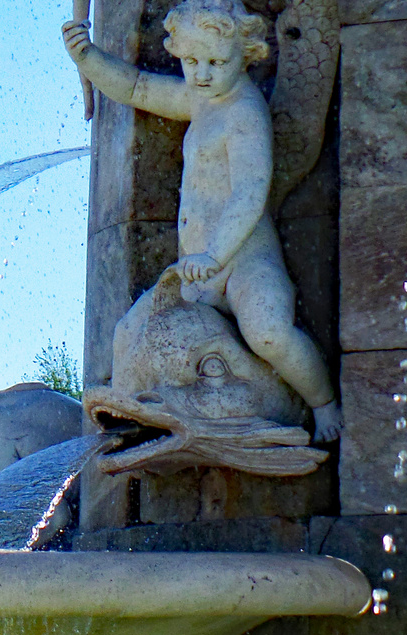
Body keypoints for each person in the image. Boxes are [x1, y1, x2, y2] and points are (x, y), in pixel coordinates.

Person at [61, 0, 342, 442]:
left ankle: (323, 404)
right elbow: (137, 87)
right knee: (128, 332)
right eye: (191, 61)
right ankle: (133, 416)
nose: (203, 73)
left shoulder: (244, 112)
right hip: (197, 268)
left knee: (268, 333)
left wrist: (217, 253)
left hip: (244, 261)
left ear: (246, 54)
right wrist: (88, 59)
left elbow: (250, 191)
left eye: (216, 62)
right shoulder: (202, 99)